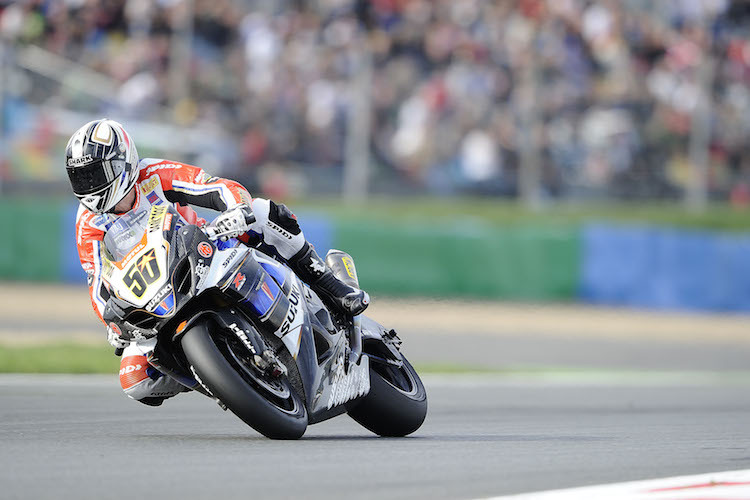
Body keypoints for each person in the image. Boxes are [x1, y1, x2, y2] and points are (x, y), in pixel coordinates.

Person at [66, 118, 369, 406]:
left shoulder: (153, 174)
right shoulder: (88, 223)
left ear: (124, 163)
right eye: (81, 177)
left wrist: (236, 208)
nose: (90, 185)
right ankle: (222, 376)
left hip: (203, 248)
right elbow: (97, 283)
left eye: (96, 175)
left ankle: (332, 286)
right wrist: (112, 321)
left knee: (263, 212)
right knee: (134, 379)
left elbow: (212, 186)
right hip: (156, 294)